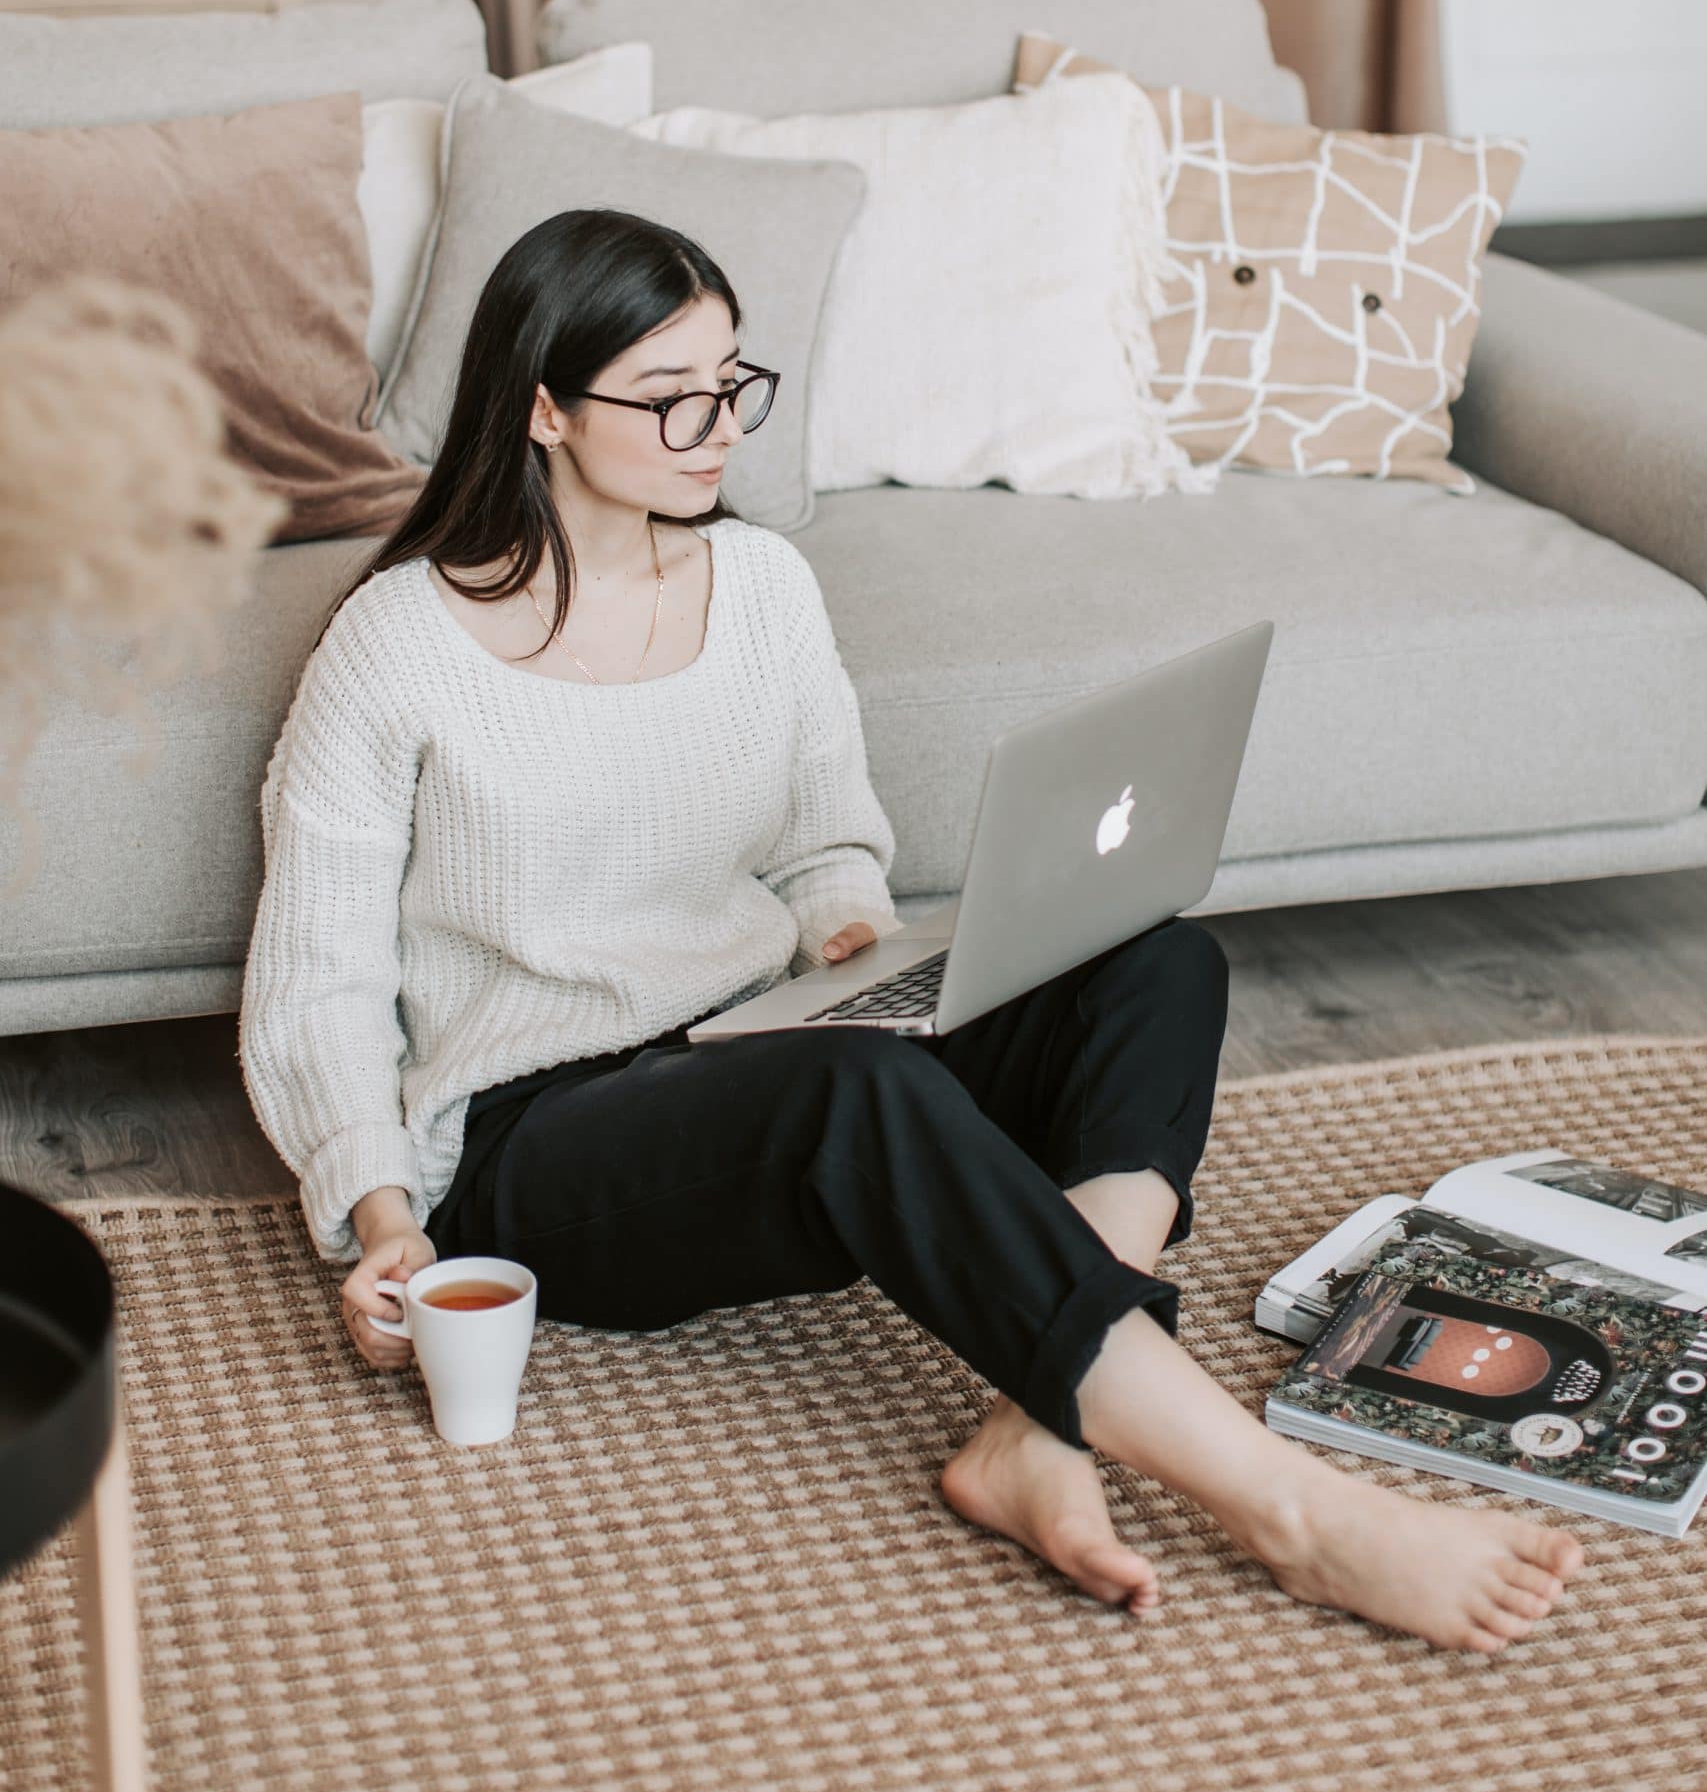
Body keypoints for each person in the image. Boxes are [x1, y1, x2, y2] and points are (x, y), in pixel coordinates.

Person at [240, 205, 1583, 1651]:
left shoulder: (759, 587)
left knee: (1156, 961)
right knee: (853, 1093)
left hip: (763, 1045)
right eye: (673, 396)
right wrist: (382, 1218)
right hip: (535, 1139)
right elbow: (318, 985)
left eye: (735, 383)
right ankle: (1293, 1510)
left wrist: (852, 947)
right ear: (544, 408)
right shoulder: (397, 644)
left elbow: (826, 844)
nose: (719, 428)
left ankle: (1035, 1421)